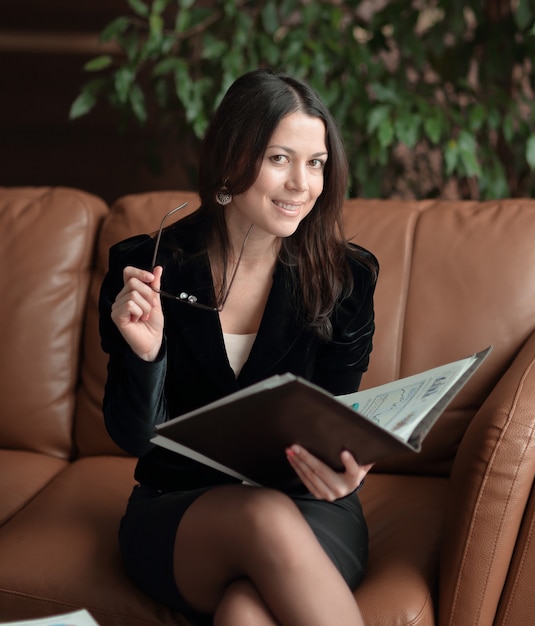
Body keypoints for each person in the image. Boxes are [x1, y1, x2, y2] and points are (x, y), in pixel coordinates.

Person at [99, 68, 379, 626]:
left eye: (316, 162)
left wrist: (348, 465)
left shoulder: (346, 278)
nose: (302, 183)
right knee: (261, 517)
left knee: (246, 613)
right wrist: (146, 354)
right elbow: (133, 437)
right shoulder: (149, 265)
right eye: (279, 159)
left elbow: (332, 419)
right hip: (180, 511)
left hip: (310, 509)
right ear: (232, 160)